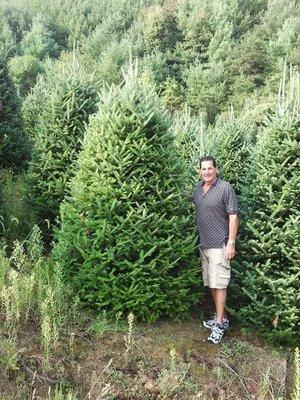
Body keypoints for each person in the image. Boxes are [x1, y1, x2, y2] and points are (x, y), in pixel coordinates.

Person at [193, 155, 239, 344]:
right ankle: (222, 318)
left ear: (216, 169)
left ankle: (219, 325)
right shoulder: (198, 188)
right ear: (200, 171)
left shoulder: (225, 188)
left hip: (220, 245)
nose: (207, 172)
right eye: (203, 169)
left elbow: (234, 216)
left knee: (219, 284)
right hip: (203, 244)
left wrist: (231, 243)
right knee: (212, 283)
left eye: (210, 169)